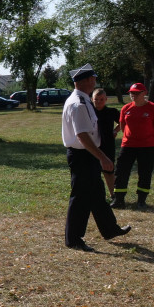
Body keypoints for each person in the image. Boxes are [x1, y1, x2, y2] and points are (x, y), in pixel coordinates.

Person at [62, 64, 130, 252]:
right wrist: (102, 157)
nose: (95, 82)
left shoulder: (83, 101)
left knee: (97, 194)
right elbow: (82, 135)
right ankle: (74, 239)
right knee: (80, 197)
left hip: (87, 154)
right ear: (86, 81)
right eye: (93, 79)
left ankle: (110, 229)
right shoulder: (79, 104)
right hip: (83, 155)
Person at [112, 82, 154, 209]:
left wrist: (153, 138)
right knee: (121, 171)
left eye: (136, 93)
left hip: (147, 146)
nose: (133, 95)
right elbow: (123, 125)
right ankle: (119, 199)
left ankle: (141, 200)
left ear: (144, 93)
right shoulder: (126, 108)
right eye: (131, 93)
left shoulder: (153, 108)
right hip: (128, 145)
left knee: (145, 172)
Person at [92, 87, 119, 199]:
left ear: (106, 99)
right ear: (92, 99)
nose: (98, 102)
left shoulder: (111, 112)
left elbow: (123, 122)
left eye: (101, 99)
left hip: (107, 144)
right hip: (93, 145)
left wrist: (115, 130)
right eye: (96, 99)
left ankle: (113, 195)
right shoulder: (89, 112)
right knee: (93, 171)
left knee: (109, 171)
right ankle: (95, 195)